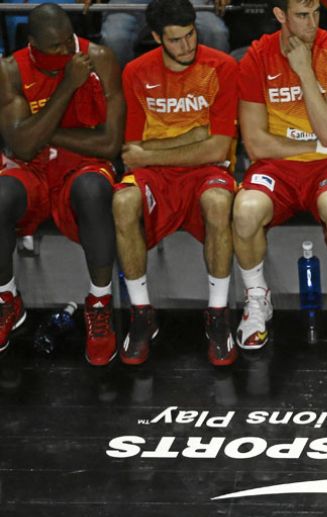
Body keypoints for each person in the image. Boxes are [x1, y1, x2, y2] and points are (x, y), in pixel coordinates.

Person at [232, 0, 327, 351]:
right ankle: (257, 298)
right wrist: (324, 148)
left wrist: (305, 70)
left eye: (316, 14)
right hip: (278, 166)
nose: (312, 24)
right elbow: (257, 144)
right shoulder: (256, 58)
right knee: (244, 210)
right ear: (280, 15)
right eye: (302, 16)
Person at [113, 0, 238, 365]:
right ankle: (141, 313)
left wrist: (154, 152)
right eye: (176, 40)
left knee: (218, 202)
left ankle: (218, 314)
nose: (187, 47)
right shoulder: (136, 71)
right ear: (156, 38)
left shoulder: (221, 66)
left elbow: (216, 147)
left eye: (191, 35)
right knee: (122, 203)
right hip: (159, 174)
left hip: (204, 170)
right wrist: (192, 136)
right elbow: (131, 149)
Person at [0, 4, 124, 364]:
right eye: (55, 46)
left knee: (93, 190)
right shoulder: (10, 71)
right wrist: (68, 86)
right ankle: (7, 300)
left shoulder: (99, 58)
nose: (67, 52)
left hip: (82, 167)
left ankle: (99, 305)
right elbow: (22, 147)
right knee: (1, 194)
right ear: (32, 43)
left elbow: (109, 144)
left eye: (69, 40)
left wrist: (44, 133)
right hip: (33, 171)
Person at [94, 0, 230, 68]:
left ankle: (219, 90)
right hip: (130, 2)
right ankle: (117, 100)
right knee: (116, 38)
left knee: (215, 32)